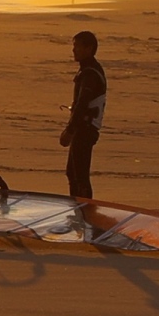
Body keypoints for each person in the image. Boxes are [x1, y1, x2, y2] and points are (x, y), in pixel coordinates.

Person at [59, 30, 106, 199]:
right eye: (74, 46)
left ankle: (84, 212)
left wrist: (69, 131)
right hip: (83, 127)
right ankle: (78, 209)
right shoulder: (88, 70)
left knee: (79, 176)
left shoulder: (90, 74)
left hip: (85, 129)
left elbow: (82, 104)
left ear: (89, 48)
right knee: (73, 174)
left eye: (77, 46)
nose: (74, 50)